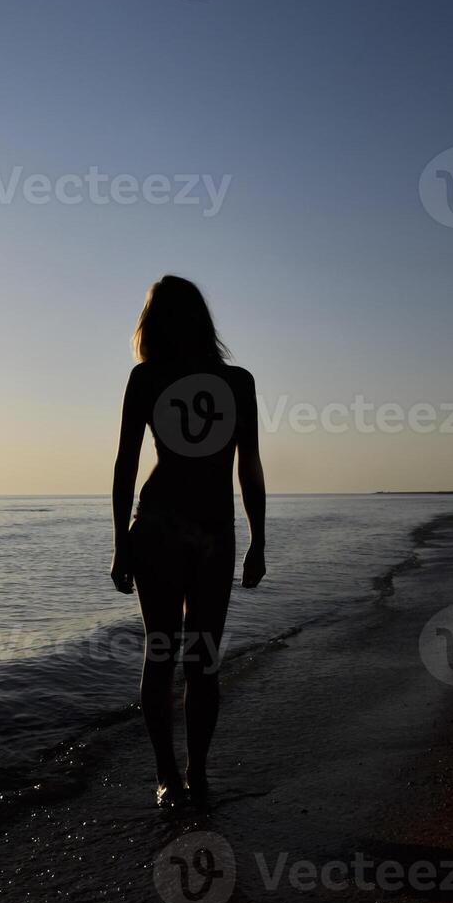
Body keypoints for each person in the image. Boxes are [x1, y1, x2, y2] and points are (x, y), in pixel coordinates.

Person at [109, 275, 266, 806]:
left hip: (157, 526)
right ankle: (193, 774)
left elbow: (127, 462)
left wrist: (118, 544)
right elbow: (249, 469)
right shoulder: (237, 381)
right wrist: (258, 539)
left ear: (152, 321)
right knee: (202, 659)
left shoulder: (148, 377)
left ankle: (168, 776)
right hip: (211, 531)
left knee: (162, 654)